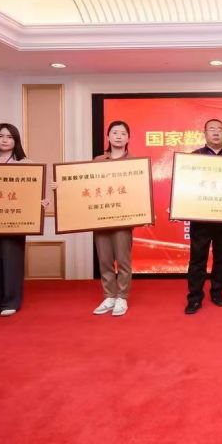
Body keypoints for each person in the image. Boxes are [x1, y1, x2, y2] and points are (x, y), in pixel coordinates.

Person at [0, 124, 48, 317]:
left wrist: (40, 202)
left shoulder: (26, 163)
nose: (4, 140)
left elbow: (33, 192)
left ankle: (11, 301)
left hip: (15, 219)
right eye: (0, 136)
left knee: (12, 260)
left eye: (9, 137)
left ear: (15, 140)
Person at [185, 119, 222, 315]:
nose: (216, 132)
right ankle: (194, 297)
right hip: (201, 218)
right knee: (197, 258)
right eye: (212, 129)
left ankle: (217, 292)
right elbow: (186, 184)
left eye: (219, 129)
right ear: (205, 133)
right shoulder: (194, 157)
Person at [92, 120, 135, 317]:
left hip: (123, 219)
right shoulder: (98, 161)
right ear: (108, 136)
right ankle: (109, 296)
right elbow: (88, 187)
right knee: (105, 260)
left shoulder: (135, 163)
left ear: (128, 138)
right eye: (115, 132)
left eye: (123, 133)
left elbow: (140, 191)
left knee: (123, 261)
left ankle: (122, 297)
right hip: (101, 218)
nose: (119, 136)